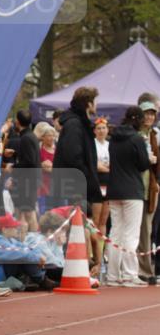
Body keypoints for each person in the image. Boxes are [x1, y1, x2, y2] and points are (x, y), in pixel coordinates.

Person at [105, 105, 150, 287]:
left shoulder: (113, 138)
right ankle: (130, 274)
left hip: (114, 189)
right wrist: (150, 159)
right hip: (132, 190)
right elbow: (143, 164)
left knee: (116, 232)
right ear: (138, 119)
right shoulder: (137, 139)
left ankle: (113, 275)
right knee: (131, 234)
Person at [52, 86, 102, 217]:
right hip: (73, 186)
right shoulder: (74, 124)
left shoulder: (80, 123)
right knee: (75, 228)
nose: (96, 105)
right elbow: (73, 156)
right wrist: (87, 176)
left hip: (76, 185)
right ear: (89, 104)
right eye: (95, 101)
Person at [136, 99, 159, 284]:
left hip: (151, 188)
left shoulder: (154, 135)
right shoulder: (136, 135)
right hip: (136, 186)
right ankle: (141, 269)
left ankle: (145, 268)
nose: (150, 117)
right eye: (146, 113)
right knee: (137, 230)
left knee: (147, 230)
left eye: (152, 113)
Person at [12, 109, 40, 230]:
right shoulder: (30, 136)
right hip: (29, 181)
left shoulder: (26, 138)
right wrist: (15, 153)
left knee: (28, 213)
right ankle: (23, 242)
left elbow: (29, 161)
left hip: (28, 181)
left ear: (17, 122)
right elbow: (29, 157)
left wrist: (13, 167)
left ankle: (35, 242)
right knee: (21, 212)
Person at [91, 117, 111, 278]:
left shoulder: (110, 145)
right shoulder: (93, 145)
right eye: (99, 128)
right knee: (95, 221)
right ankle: (95, 256)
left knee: (104, 221)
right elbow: (94, 164)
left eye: (104, 128)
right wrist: (105, 168)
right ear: (95, 131)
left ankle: (102, 254)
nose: (101, 131)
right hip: (97, 182)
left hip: (108, 184)